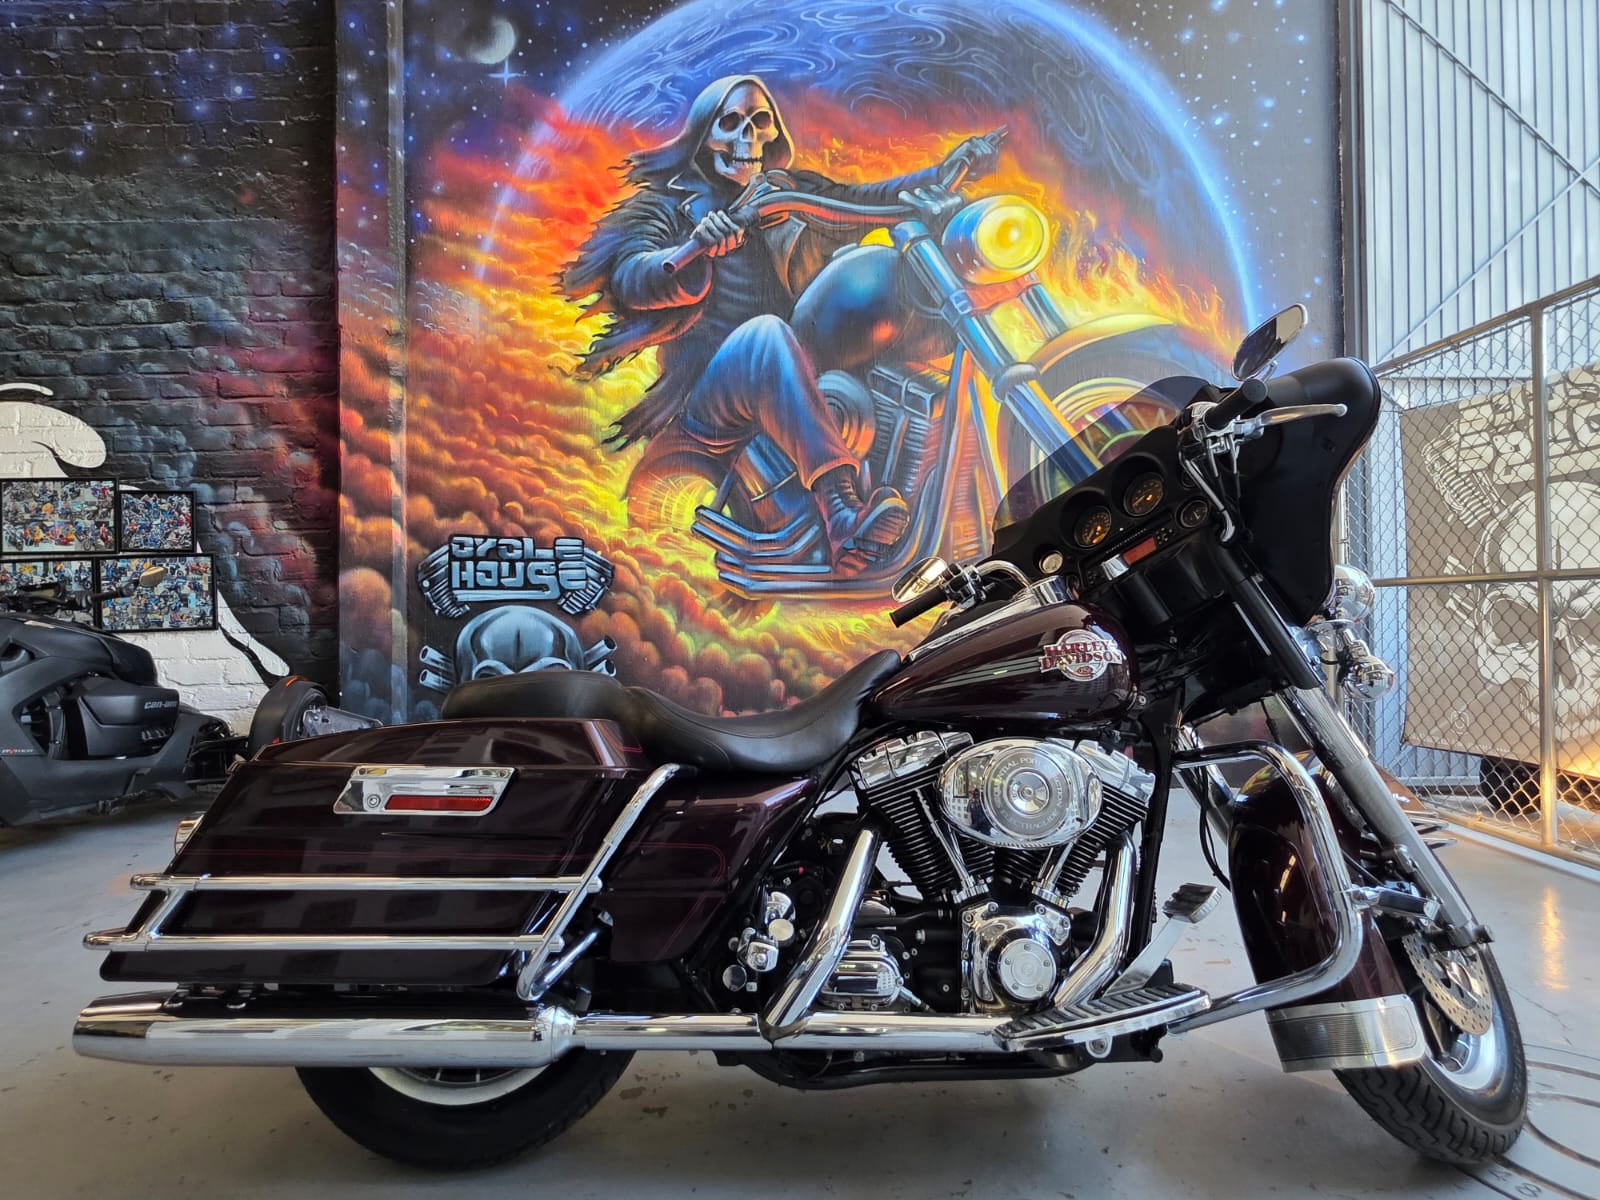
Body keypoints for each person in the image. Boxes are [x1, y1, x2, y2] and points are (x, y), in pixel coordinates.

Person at [561, 74, 1001, 574]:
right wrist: (694, 248)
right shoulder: (665, 205)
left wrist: (949, 169)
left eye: (759, 122)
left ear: (773, 134)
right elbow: (632, 275)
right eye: (730, 123)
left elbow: (868, 198)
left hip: (794, 378)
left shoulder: (787, 192)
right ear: (703, 134)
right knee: (765, 335)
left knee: (886, 288)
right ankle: (841, 515)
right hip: (713, 402)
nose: (747, 137)